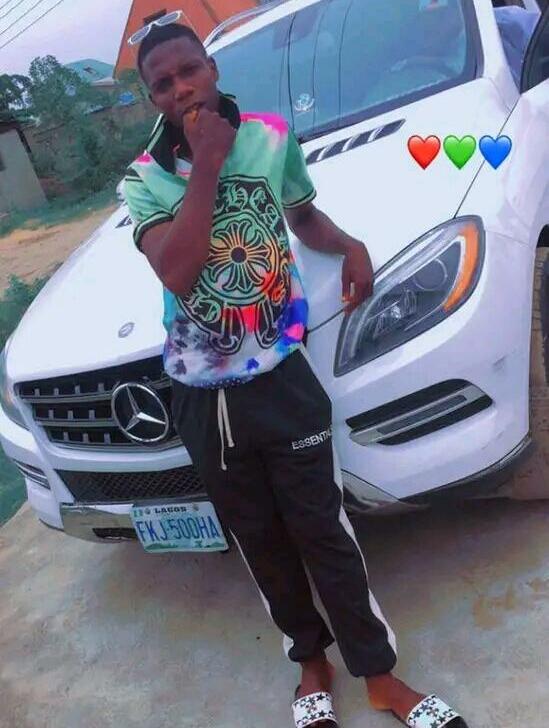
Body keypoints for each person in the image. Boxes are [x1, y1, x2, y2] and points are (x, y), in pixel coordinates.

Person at [124, 21, 468, 728]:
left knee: (323, 530)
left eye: (189, 70)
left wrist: (348, 244)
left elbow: (300, 214)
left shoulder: (271, 138)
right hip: (204, 396)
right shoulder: (143, 180)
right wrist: (208, 162)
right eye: (163, 83)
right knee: (260, 541)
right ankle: (309, 663)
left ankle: (379, 677)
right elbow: (178, 270)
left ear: (212, 68)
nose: (182, 88)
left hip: (282, 373)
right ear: (152, 98)